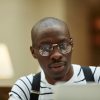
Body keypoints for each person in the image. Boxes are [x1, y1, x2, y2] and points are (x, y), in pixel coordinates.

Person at [8, 17, 100, 100]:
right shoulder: (27, 87)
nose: (56, 55)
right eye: (45, 48)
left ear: (71, 45)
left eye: (63, 45)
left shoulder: (96, 77)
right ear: (33, 52)